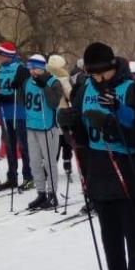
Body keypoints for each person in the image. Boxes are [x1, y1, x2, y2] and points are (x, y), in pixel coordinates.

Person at [57, 43, 135, 270]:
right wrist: (71, 123)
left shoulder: (132, 87)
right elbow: (83, 138)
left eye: (104, 75)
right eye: (94, 76)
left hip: (128, 168)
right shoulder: (85, 89)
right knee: (109, 235)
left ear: (114, 66)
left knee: (134, 234)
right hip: (98, 168)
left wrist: (111, 124)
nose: (99, 81)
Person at [24, 54, 63, 210]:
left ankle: (52, 194)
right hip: (31, 126)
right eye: (30, 68)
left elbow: (54, 103)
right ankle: (41, 193)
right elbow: (23, 100)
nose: (32, 71)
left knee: (49, 162)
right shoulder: (27, 81)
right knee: (34, 162)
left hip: (48, 127)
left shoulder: (54, 82)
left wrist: (44, 87)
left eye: (35, 68)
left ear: (42, 68)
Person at [0, 42, 34, 192]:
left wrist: (11, 93)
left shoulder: (21, 68)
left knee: (23, 146)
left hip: (19, 111)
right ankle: (12, 177)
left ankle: (29, 177)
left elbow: (25, 91)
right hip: (5, 112)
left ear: (7, 55)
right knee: (9, 146)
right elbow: (0, 87)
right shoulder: (0, 69)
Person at [47, 54, 74, 183]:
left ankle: (49, 169)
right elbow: (70, 95)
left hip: (48, 113)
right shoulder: (63, 77)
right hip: (62, 112)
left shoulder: (44, 76)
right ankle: (67, 165)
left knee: (53, 142)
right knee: (66, 141)